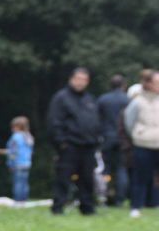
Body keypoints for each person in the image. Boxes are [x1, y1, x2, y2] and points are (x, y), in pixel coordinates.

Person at [47, 67, 101, 215]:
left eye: (84, 79)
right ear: (71, 79)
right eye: (78, 79)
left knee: (87, 180)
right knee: (63, 178)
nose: (80, 82)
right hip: (69, 145)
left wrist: (96, 140)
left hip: (88, 146)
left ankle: (87, 208)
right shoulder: (61, 98)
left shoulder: (90, 99)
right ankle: (58, 208)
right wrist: (61, 143)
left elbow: (95, 122)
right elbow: (54, 122)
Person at [123, 70, 159, 218]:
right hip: (143, 144)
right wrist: (139, 135)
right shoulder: (137, 101)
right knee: (140, 178)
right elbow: (129, 123)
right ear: (148, 84)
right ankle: (136, 207)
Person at [97, 74, 130, 206]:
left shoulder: (103, 100)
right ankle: (119, 199)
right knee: (122, 169)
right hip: (123, 139)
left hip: (106, 137)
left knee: (105, 169)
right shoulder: (128, 100)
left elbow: (96, 119)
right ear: (124, 85)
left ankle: (103, 197)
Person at [6, 116, 34, 204]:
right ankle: (24, 199)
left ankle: (18, 200)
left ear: (18, 127)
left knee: (17, 183)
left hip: (17, 163)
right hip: (27, 163)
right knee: (25, 183)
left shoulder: (16, 137)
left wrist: (10, 163)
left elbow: (13, 152)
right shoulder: (28, 136)